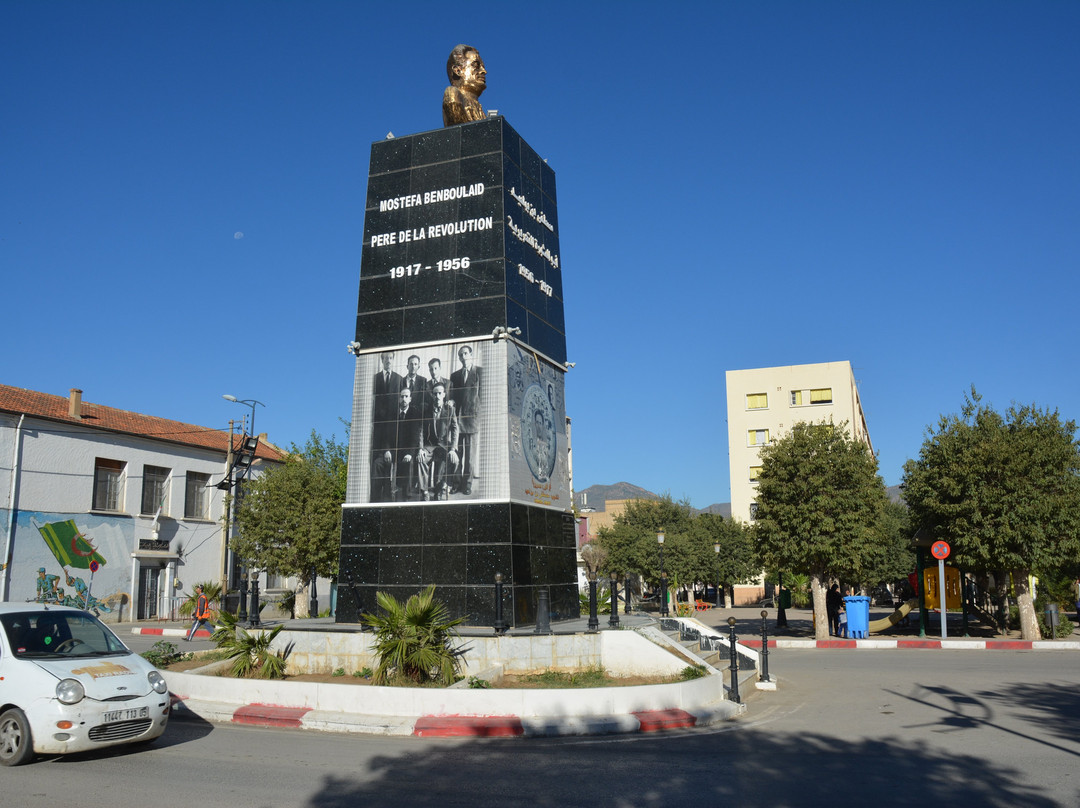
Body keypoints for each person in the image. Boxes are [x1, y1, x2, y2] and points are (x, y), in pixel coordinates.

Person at [372, 387, 422, 501]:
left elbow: (415, 437)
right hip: (392, 451)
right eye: (402, 396)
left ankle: (405, 497)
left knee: (408, 463)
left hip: (405, 452)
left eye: (406, 397)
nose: (404, 399)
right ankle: (376, 498)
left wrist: (410, 453)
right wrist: (387, 450)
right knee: (377, 463)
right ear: (399, 399)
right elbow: (386, 435)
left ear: (410, 399)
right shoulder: (392, 414)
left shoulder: (414, 413)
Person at [417, 382, 459, 501]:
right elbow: (420, 430)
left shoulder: (450, 410)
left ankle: (441, 487)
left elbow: (455, 430)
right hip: (429, 446)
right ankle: (424, 491)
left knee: (454, 461)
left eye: (440, 393)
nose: (437, 396)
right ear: (432, 395)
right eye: (435, 394)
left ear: (444, 394)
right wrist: (421, 448)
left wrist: (452, 449)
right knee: (421, 459)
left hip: (444, 447)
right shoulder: (426, 410)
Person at [449, 344, 482, 494]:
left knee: (470, 457)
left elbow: (483, 397)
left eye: (465, 354)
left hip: (472, 420)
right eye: (460, 355)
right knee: (457, 454)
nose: (463, 357)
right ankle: (456, 483)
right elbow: (452, 397)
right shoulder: (454, 376)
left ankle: (467, 485)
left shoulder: (480, 372)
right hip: (457, 421)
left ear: (471, 355)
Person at [442, 44, 487, 126]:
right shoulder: (453, 94)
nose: (484, 71)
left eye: (483, 67)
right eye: (476, 65)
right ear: (458, 70)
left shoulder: (479, 108)